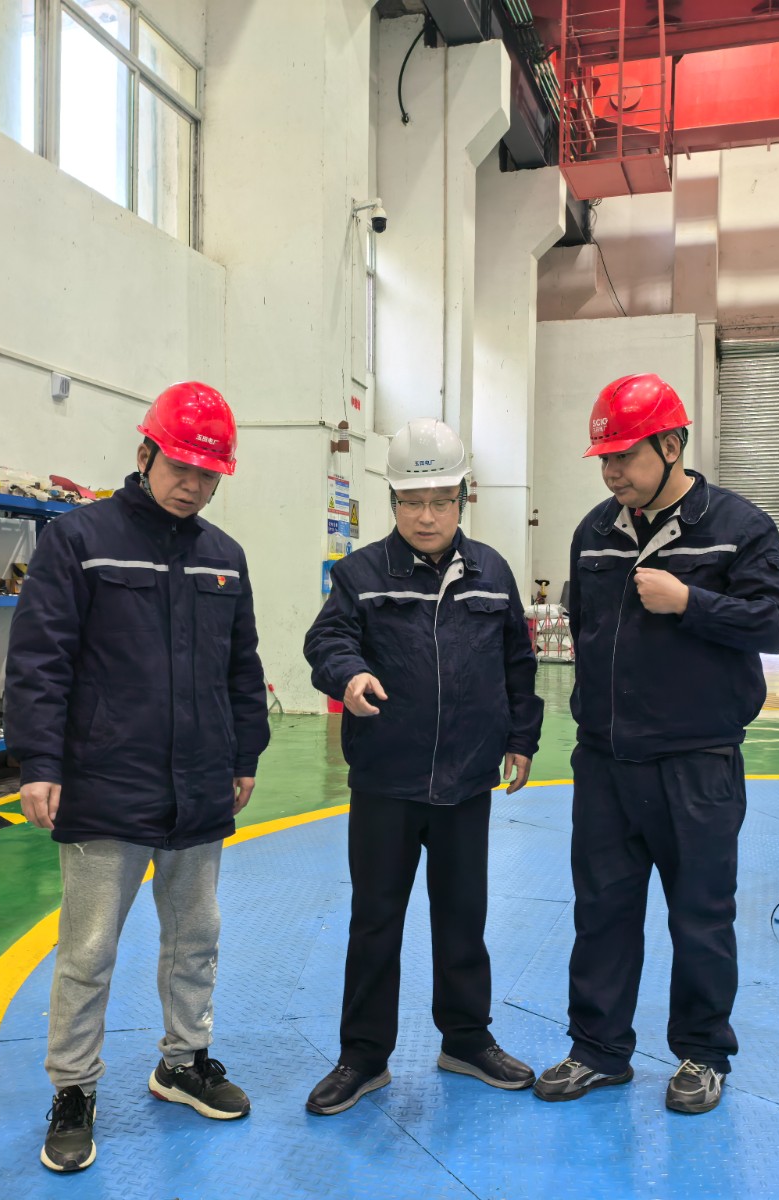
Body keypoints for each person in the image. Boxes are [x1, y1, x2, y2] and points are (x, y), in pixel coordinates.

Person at [6, 381, 269, 1172]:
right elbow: (40, 658)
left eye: (208, 473)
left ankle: (184, 1062)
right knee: (87, 951)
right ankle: (73, 1089)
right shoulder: (79, 540)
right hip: (104, 784)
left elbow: (242, 667)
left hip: (199, 786)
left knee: (197, 938)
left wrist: (245, 754)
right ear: (145, 452)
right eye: (180, 466)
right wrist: (40, 762)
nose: (192, 484)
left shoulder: (224, 557)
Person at [533, 374, 779, 1115]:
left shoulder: (739, 527)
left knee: (700, 915)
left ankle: (703, 1054)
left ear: (672, 445)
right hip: (607, 763)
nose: (613, 473)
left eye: (626, 456)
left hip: (696, 762)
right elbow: (584, 630)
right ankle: (598, 1050)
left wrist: (691, 602)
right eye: (605, 459)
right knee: (602, 911)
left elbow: (775, 625)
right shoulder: (594, 532)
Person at [302, 418, 544, 1115]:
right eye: (412, 501)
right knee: (375, 921)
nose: (427, 516)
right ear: (394, 502)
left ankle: (466, 1039)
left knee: (463, 917)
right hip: (387, 782)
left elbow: (518, 663)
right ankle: (362, 1057)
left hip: (467, 782)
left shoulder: (493, 572)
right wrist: (348, 675)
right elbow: (328, 641)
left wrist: (521, 738)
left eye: (440, 500)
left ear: (462, 497)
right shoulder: (360, 574)